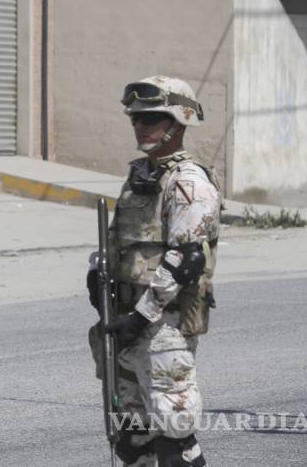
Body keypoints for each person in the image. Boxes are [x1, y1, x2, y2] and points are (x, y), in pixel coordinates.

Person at [89, 76, 221, 467]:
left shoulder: (188, 182)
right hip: (125, 321)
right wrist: (98, 271)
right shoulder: (141, 177)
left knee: (175, 440)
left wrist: (140, 317)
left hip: (164, 326)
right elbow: (123, 241)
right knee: (133, 439)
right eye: (135, 119)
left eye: (150, 118)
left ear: (178, 123)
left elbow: (186, 260)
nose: (140, 125)